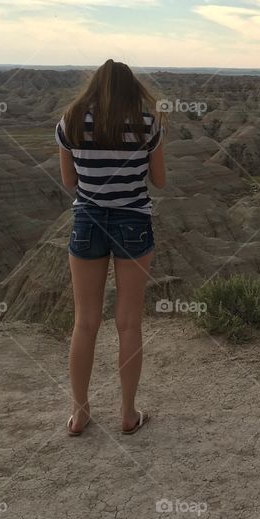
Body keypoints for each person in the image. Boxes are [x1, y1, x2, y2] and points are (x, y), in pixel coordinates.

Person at [56, 59, 165, 437]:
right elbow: (161, 180)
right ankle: (128, 414)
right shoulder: (148, 123)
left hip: (87, 221)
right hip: (134, 221)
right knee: (128, 323)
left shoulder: (70, 121)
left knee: (85, 322)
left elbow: (70, 180)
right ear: (131, 89)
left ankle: (79, 412)